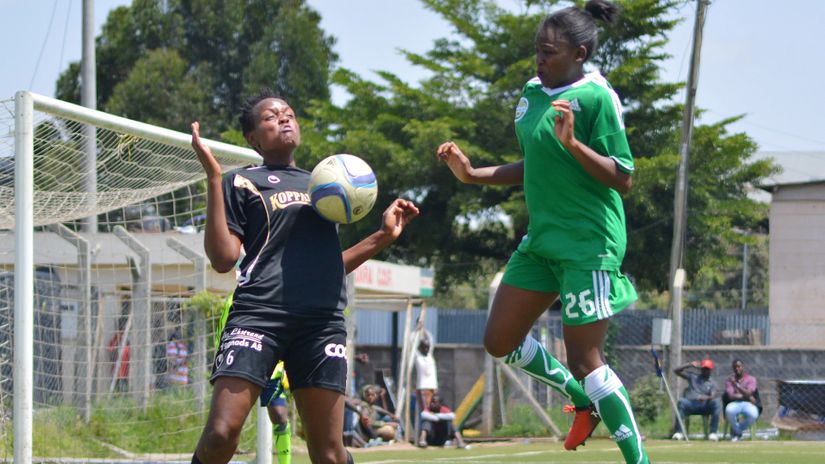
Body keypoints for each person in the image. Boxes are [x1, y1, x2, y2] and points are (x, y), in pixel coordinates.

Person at [436, 1, 648, 462]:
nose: (539, 60)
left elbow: (624, 176)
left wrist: (573, 143)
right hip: (542, 240)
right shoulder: (534, 92)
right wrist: (474, 175)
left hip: (589, 244)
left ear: (581, 53)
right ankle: (581, 397)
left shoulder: (596, 98)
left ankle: (638, 459)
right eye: (537, 51)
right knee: (499, 341)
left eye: (549, 53)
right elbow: (539, 164)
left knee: (587, 359)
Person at [189, 89, 419, 464]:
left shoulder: (323, 185)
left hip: (320, 323)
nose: (284, 119)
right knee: (220, 434)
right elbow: (222, 259)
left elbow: (330, 265)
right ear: (252, 138)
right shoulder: (241, 182)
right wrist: (214, 178)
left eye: (289, 114)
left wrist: (383, 236)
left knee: (328, 454)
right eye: (271, 117)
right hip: (259, 315)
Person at [672, 359, 722, 441]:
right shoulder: (693, 377)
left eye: (707, 369)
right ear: (701, 369)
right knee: (682, 402)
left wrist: (705, 397)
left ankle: (713, 433)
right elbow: (676, 371)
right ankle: (679, 432)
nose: (705, 371)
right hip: (692, 404)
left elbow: (713, 396)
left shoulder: (713, 382)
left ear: (710, 370)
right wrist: (689, 364)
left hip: (705, 406)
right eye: (704, 369)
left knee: (716, 403)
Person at [724, 359, 760, 442]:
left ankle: (736, 432)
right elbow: (731, 396)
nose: (737, 369)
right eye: (735, 367)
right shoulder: (730, 380)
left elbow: (749, 393)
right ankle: (738, 432)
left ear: (743, 367)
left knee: (753, 414)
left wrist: (736, 385)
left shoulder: (751, 379)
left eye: (739, 366)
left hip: (747, 404)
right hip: (735, 403)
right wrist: (748, 397)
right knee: (729, 410)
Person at [413, 330, 438, 413]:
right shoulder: (418, 357)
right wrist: (417, 330)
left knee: (433, 408)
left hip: (432, 387)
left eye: (427, 347)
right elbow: (411, 341)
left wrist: (424, 330)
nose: (426, 349)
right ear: (420, 348)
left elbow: (431, 339)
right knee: (424, 410)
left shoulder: (430, 356)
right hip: (422, 387)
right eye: (424, 347)